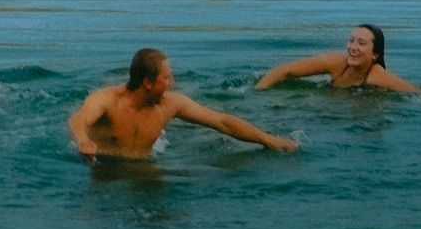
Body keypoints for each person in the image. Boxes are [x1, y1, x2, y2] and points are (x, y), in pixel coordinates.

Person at [68, 47, 298, 160]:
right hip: (104, 167)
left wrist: (269, 140)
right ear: (148, 82)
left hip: (146, 167)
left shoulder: (170, 104)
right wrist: (83, 140)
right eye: (167, 78)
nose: (173, 82)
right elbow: (79, 118)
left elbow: (221, 121)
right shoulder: (107, 100)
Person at [254, 22, 421, 102]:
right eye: (351, 40)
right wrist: (258, 92)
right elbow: (286, 70)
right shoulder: (336, 62)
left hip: (364, 109)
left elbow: (419, 93)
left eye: (361, 43)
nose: (353, 47)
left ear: (375, 54)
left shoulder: (377, 76)